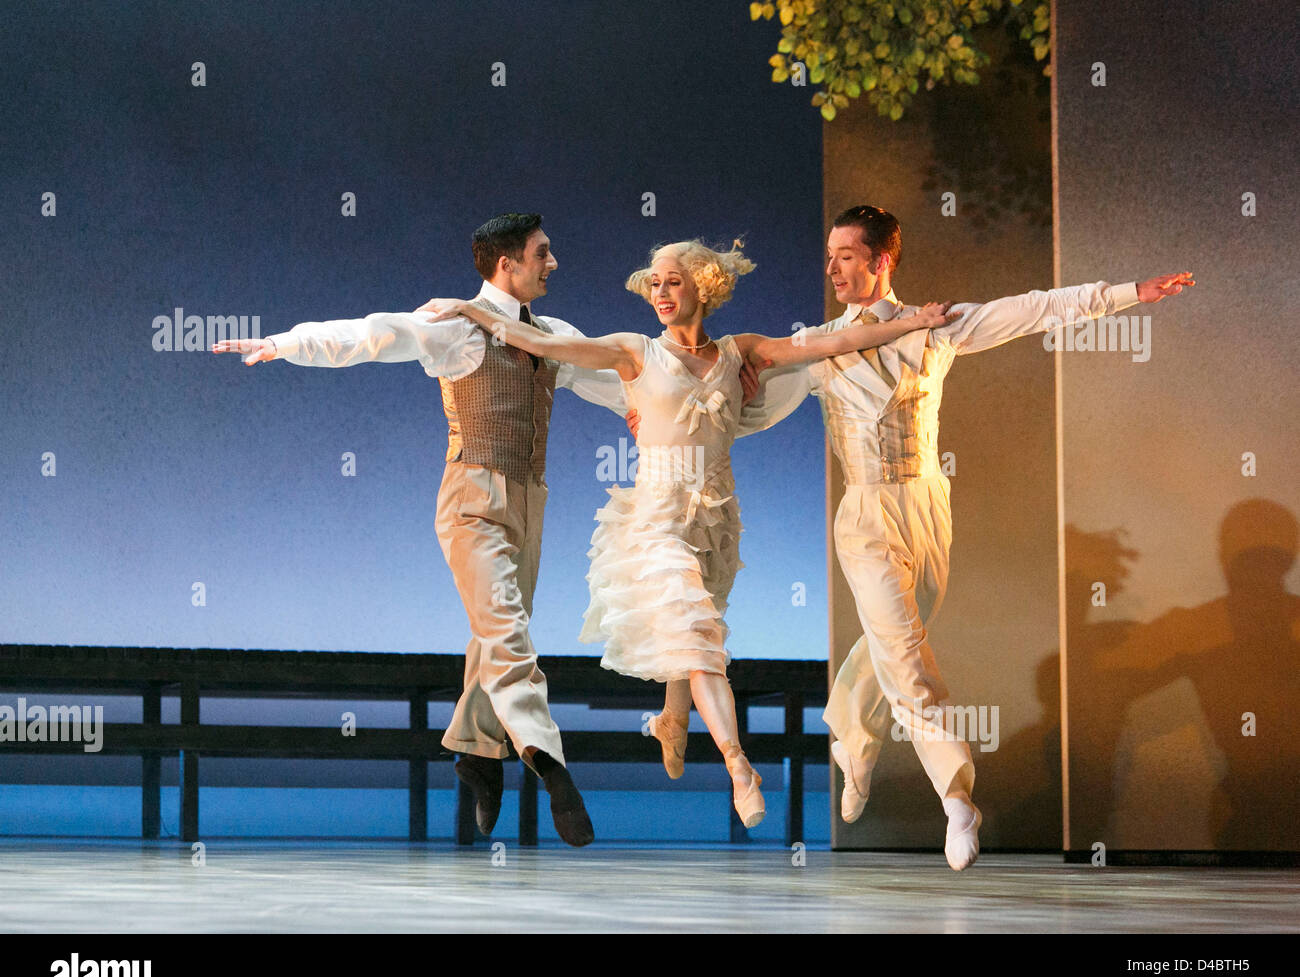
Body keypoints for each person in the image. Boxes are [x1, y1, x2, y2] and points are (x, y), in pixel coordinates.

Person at [214, 213, 715, 847]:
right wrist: (284, 342)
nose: (552, 263)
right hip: (471, 498)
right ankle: (547, 759)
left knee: (497, 632)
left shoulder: (553, 333)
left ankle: (477, 752)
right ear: (508, 264)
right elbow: (373, 335)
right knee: (506, 632)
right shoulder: (455, 326)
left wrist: (695, 399)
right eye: (542, 253)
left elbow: (620, 383)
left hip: (530, 500)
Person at [423, 239, 955, 828]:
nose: (660, 294)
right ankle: (739, 769)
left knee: (694, 635)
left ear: (702, 285)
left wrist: (911, 322)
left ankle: (674, 721)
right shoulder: (634, 351)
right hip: (655, 518)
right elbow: (549, 344)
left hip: (716, 517)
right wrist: (479, 311)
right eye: (653, 284)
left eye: (672, 282)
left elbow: (827, 342)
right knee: (700, 649)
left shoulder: (739, 352)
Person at [733, 203, 1194, 868]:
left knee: (899, 640)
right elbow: (749, 412)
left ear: (882, 259)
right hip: (864, 515)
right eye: (829, 255)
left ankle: (850, 736)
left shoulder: (934, 326)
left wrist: (1129, 293)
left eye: (847, 254)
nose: (832, 267)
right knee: (907, 658)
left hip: (926, 505)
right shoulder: (817, 348)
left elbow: (1033, 308)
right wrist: (679, 417)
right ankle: (956, 796)